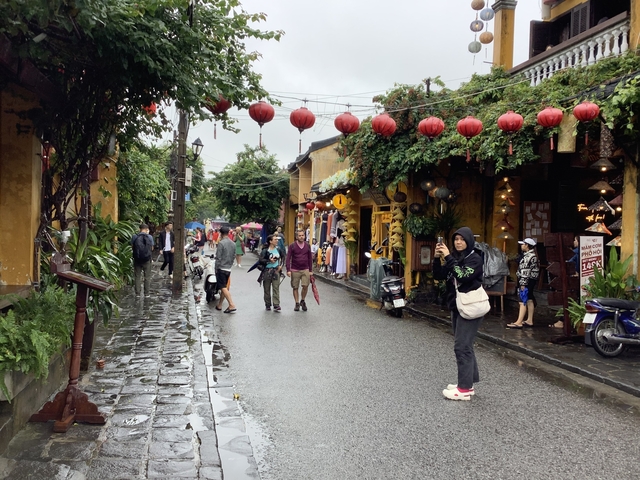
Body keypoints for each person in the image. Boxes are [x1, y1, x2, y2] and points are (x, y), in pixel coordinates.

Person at [433, 227, 484, 401]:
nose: (459, 242)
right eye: (456, 239)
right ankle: (468, 382)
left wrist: (448, 257)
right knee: (464, 345)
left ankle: (464, 389)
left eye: (462, 239)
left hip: (471, 307)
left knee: (462, 346)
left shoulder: (475, 259)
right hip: (457, 306)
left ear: (469, 241)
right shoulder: (454, 257)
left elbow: (462, 276)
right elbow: (439, 275)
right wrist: (437, 257)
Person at [507, 238, 540, 329]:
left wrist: (522, 284)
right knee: (529, 299)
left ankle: (519, 321)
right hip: (532, 280)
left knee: (522, 300)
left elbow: (525, 272)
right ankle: (529, 320)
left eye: (523, 244)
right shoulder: (533, 255)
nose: (521, 246)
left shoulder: (528, 257)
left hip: (526, 281)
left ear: (527, 245)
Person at [285, 229, 313, 312]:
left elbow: (310, 258)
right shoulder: (292, 246)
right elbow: (288, 258)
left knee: (305, 285)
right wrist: (288, 270)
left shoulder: (307, 245)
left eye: (303, 235)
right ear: (296, 237)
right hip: (295, 269)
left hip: (305, 269)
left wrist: (310, 270)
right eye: (300, 235)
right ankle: (297, 303)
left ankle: (302, 300)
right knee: (295, 287)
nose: (301, 237)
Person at [215, 226, 237, 313]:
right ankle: (220, 305)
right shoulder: (233, 243)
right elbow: (233, 256)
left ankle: (231, 304)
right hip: (228, 268)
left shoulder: (221, 243)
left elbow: (218, 257)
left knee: (223, 287)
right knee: (224, 286)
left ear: (220, 233)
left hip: (221, 268)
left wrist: (216, 268)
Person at [261, 234, 283, 312]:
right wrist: (269, 260)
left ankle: (276, 304)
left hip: (276, 270)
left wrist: (280, 266)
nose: (277, 241)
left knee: (276, 288)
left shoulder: (279, 249)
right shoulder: (265, 250)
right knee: (266, 288)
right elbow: (261, 260)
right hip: (267, 271)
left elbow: (283, 258)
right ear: (270, 241)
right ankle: (267, 304)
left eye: (277, 239)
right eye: (275, 239)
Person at [131, 223, 154, 297]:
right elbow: (152, 248)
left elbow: (132, 247)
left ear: (139, 229)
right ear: (147, 229)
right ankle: (146, 293)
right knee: (147, 277)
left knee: (137, 276)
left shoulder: (135, 236)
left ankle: (137, 293)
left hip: (137, 259)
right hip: (147, 260)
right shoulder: (150, 237)